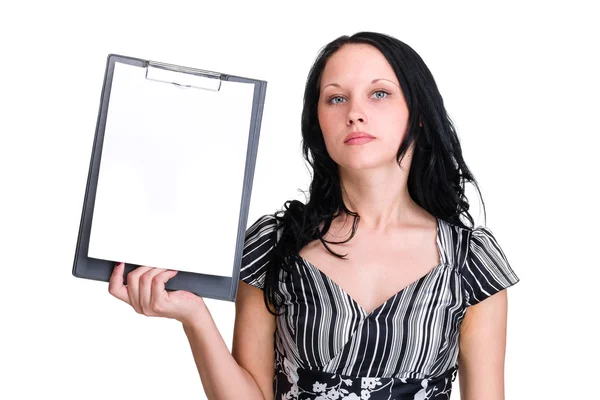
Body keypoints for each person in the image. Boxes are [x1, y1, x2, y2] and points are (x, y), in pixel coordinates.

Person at [109, 31, 520, 400]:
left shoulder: (471, 262)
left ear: (420, 112)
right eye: (336, 98)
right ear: (318, 123)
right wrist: (194, 316)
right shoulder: (275, 244)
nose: (354, 112)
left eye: (379, 93)